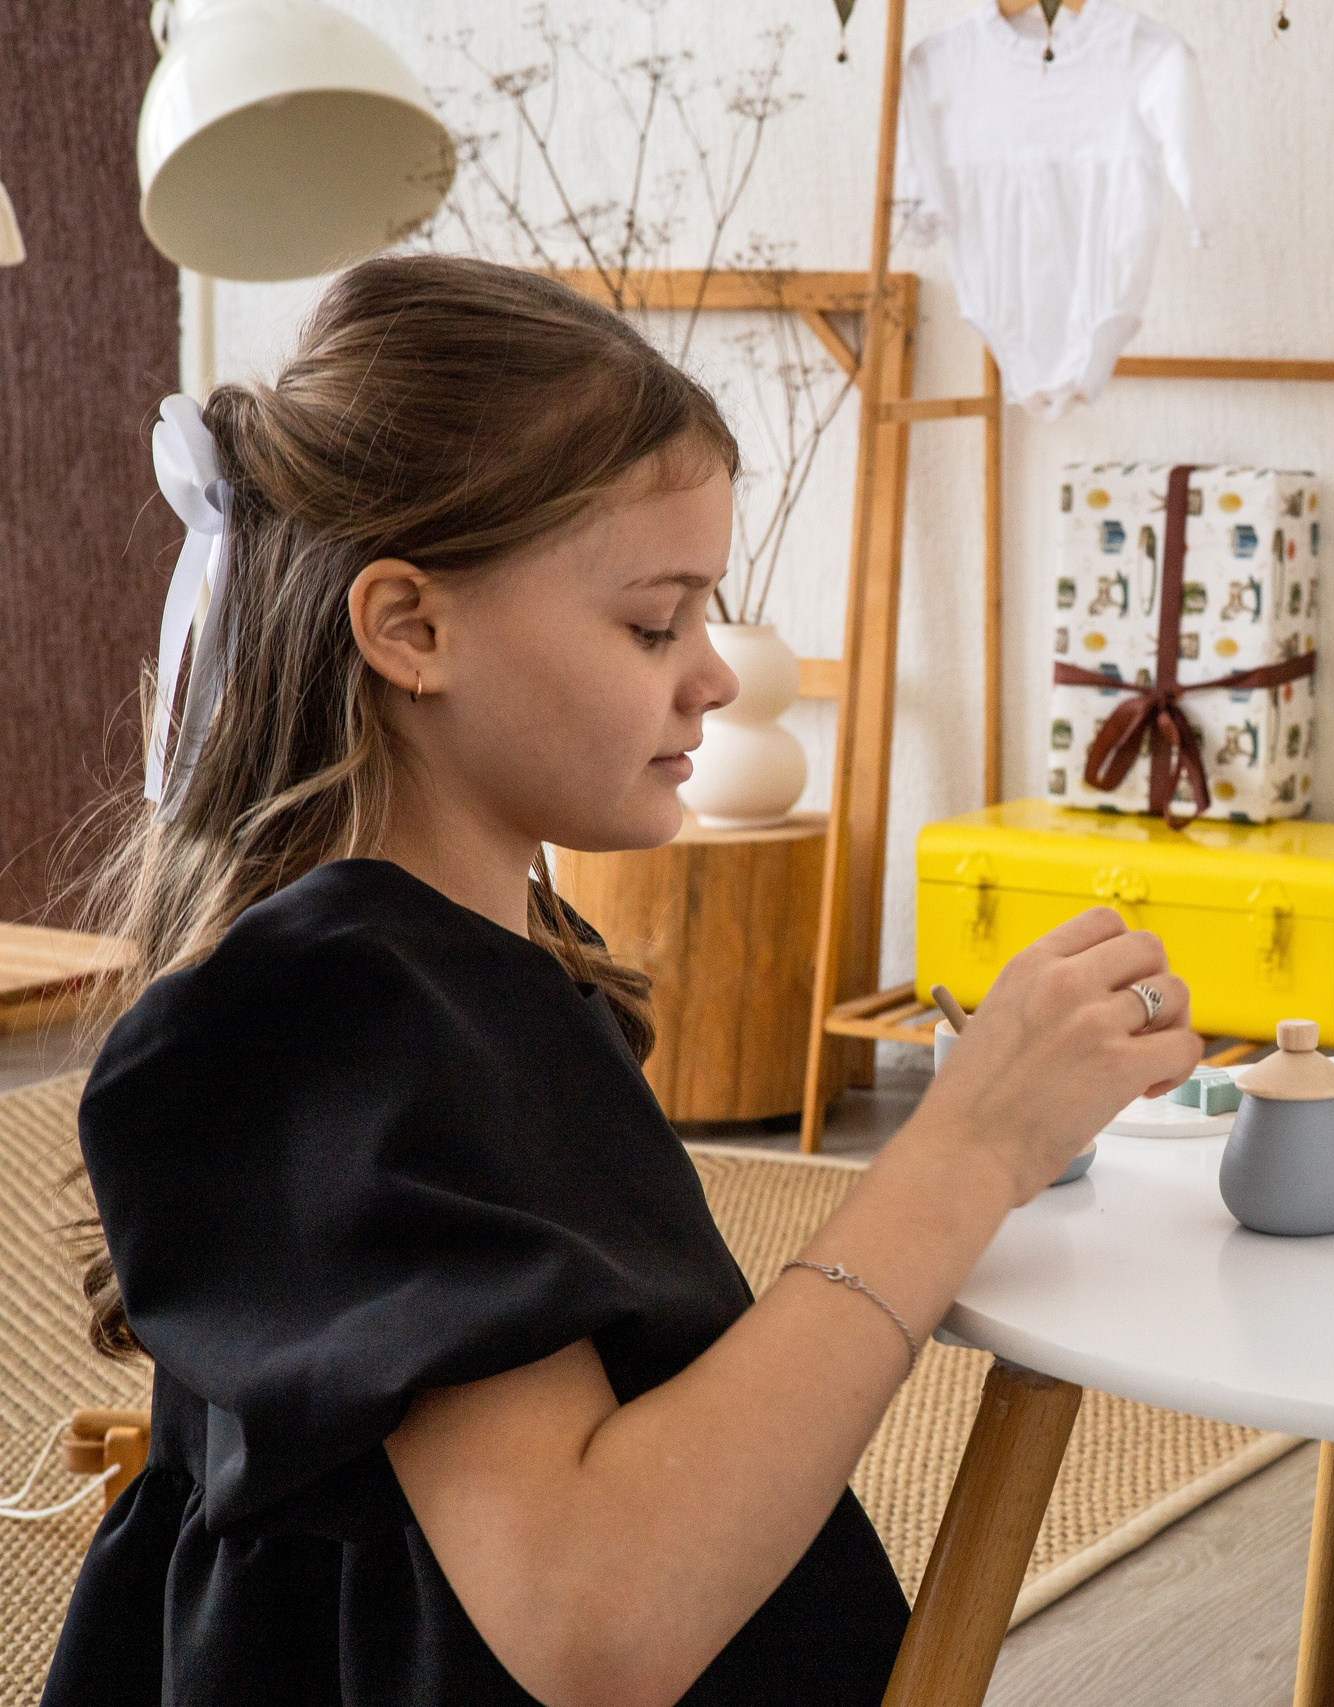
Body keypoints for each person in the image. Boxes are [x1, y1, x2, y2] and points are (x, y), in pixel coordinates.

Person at [46, 254, 1202, 1707]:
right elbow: (592, 1620)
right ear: (411, 629)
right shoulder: (347, 1010)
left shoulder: (453, 968)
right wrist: (964, 1148)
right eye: (656, 622)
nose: (713, 676)